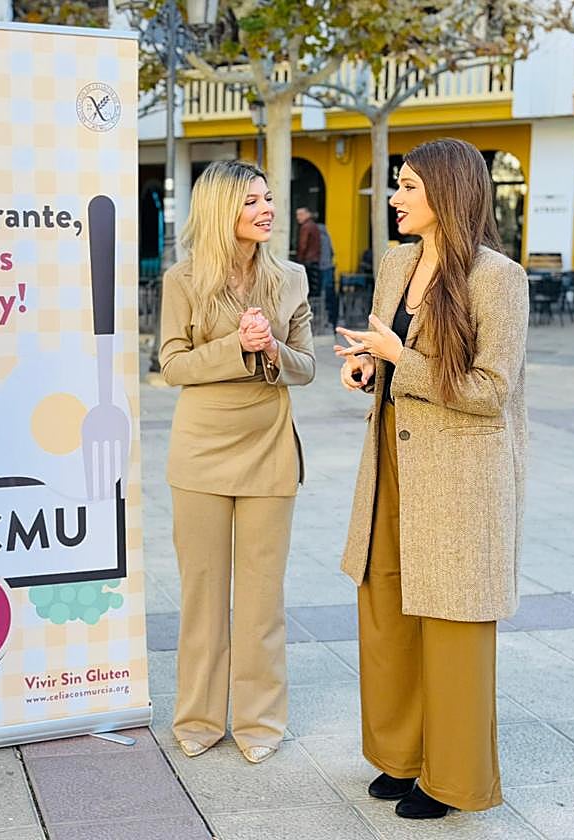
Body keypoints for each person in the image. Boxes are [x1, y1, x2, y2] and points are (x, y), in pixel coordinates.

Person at [334, 138, 528, 820]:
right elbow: (388, 360)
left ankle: (451, 779)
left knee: (450, 622)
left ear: (447, 193)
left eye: (409, 187)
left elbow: (491, 390)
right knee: (386, 606)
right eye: (397, 185)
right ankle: (403, 757)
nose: (395, 198)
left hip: (458, 471)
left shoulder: (497, 277)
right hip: (390, 458)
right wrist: (368, 368)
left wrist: (399, 361)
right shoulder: (396, 262)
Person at [159, 159, 315, 765]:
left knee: (261, 598)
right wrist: (235, 346)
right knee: (202, 595)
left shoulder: (292, 279)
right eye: (252, 201)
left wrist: (272, 349)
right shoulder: (183, 280)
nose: (267, 209)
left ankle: (260, 722)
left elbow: (306, 367)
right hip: (200, 451)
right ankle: (198, 717)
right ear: (223, 209)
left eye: (269, 198)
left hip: (270, 447)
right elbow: (172, 366)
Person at [295, 206, 321, 297]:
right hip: (315, 260)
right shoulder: (314, 226)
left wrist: (299, 260)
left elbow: (303, 245)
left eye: (300, 214)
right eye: (297, 215)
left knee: (306, 288)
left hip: (307, 261)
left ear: (307, 214)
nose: (298, 217)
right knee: (314, 289)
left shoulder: (305, 227)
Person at [316, 220, 337, 330]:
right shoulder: (327, 237)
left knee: (322, 294)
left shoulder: (320, 238)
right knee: (328, 293)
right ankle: (330, 318)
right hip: (328, 267)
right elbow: (332, 252)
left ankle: (324, 317)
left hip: (322, 268)